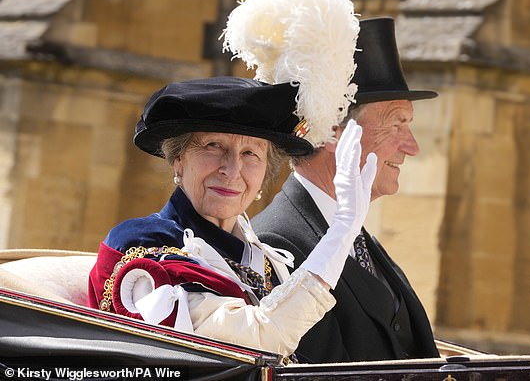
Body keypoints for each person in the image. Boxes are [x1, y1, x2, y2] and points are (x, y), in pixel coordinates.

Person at [87, 76, 376, 360]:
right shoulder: (143, 246)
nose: (232, 169)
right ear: (178, 159)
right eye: (214, 146)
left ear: (265, 174)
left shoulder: (266, 259)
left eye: (250, 153)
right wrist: (341, 231)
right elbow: (261, 340)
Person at [252, 17, 441, 363]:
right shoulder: (277, 244)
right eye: (396, 123)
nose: (411, 146)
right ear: (333, 131)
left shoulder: (360, 238)